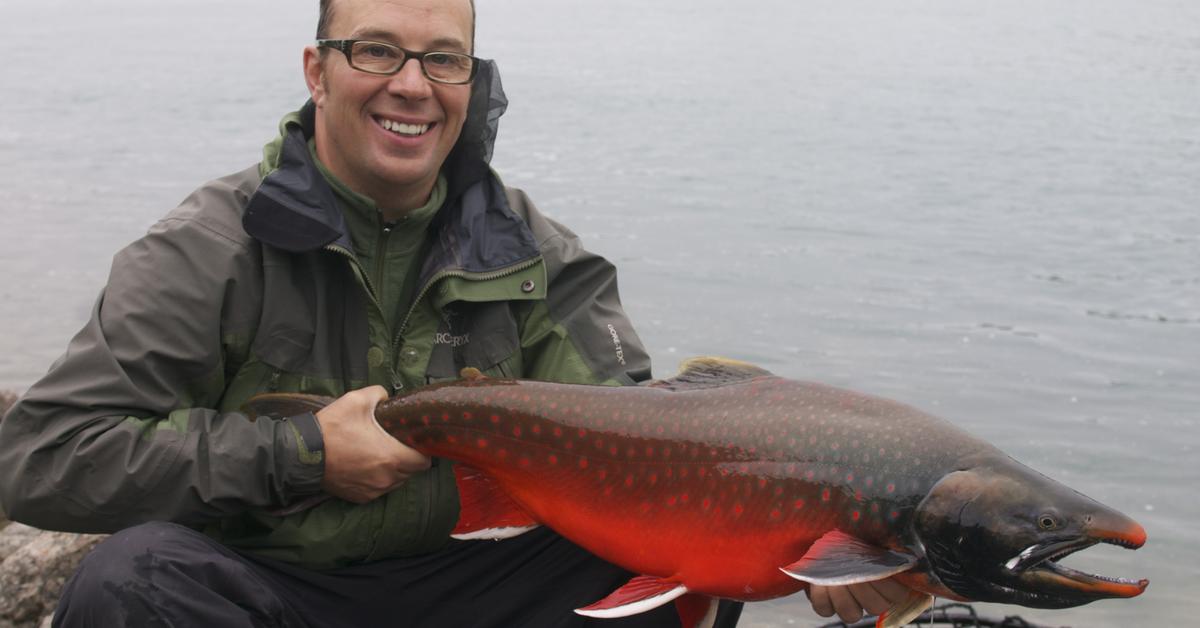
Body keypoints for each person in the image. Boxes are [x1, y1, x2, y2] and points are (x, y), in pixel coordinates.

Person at [0, 0, 911, 625]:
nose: (412, 83)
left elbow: (651, 449)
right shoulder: (204, 251)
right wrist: (300, 455)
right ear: (317, 70)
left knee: (685, 577)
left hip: (477, 584)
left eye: (444, 59)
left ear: (472, 80)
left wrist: (824, 548)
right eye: (376, 50)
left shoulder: (549, 262)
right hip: (272, 585)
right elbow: (37, 457)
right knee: (132, 583)